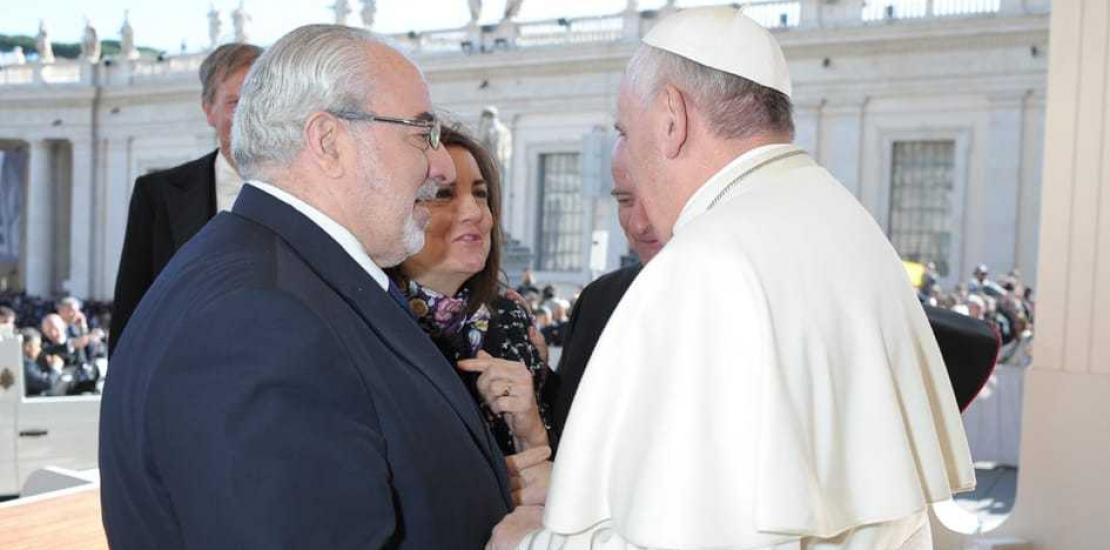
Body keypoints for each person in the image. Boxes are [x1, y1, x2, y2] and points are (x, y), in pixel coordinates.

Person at [491, 8, 973, 548]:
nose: (622, 152)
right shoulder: (847, 223)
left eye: (625, 130)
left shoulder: (707, 263)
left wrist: (527, 544)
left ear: (671, 117)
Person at [99, 25, 510, 548]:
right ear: (328, 142)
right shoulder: (258, 320)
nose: (440, 162)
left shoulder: (282, 277)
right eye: (419, 132)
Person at [386, 126, 554, 458]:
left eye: (480, 194)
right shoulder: (366, 313)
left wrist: (531, 431)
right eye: (443, 194)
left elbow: (559, 467)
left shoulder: (511, 316)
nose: (474, 212)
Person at [110, 42, 263, 355]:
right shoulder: (157, 196)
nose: (250, 114)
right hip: (187, 384)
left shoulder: (312, 190)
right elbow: (131, 309)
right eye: (235, 102)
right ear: (209, 111)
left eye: (260, 100)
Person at [542, 159, 662, 441]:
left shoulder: (737, 302)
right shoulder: (598, 300)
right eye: (625, 200)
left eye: (657, 197)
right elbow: (565, 427)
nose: (639, 223)